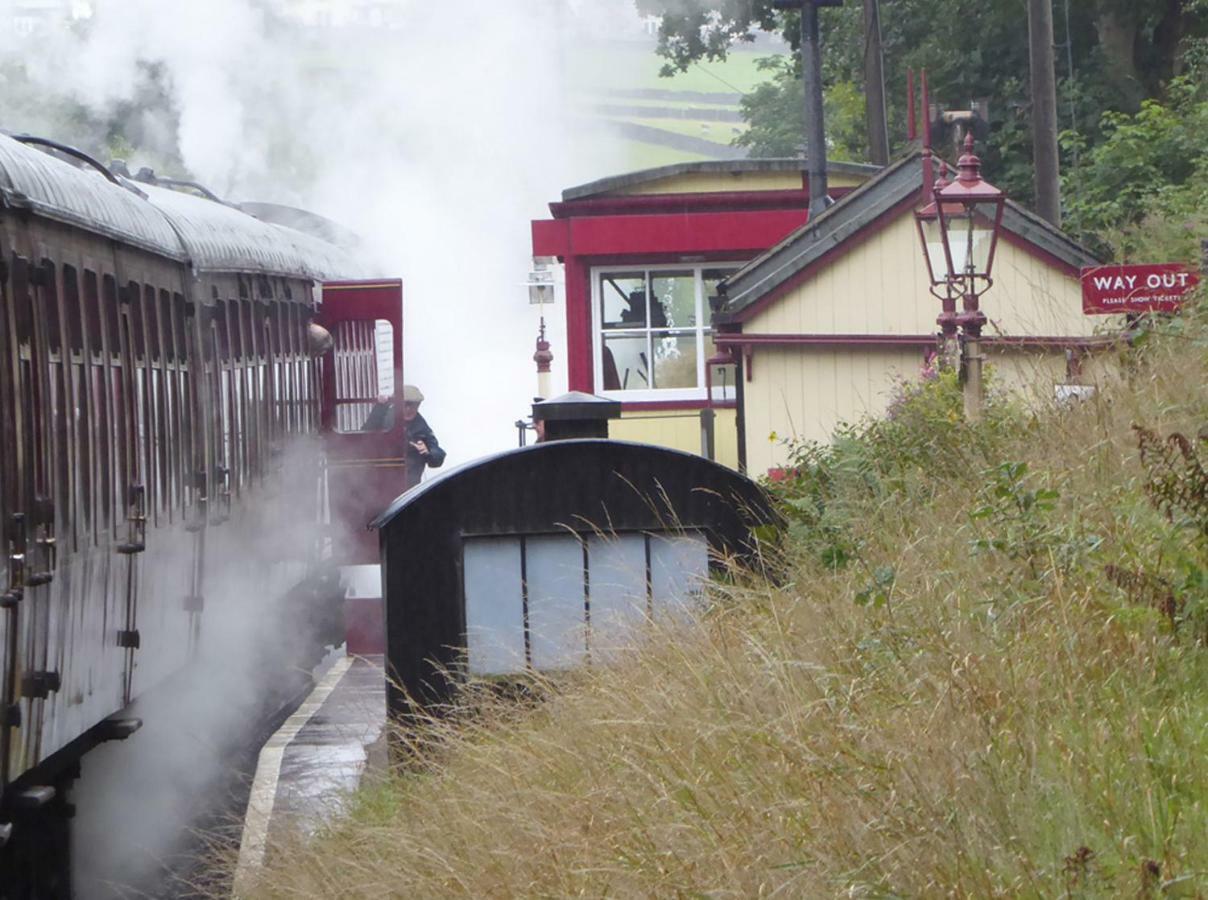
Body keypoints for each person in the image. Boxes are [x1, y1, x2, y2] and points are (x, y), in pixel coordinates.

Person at [399, 384, 445, 489]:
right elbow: (368, 429)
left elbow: (438, 457)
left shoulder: (422, 428)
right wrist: (380, 407)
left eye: (413, 405)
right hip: (382, 482)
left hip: (409, 487)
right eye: (405, 404)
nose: (408, 409)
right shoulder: (386, 417)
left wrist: (427, 452)